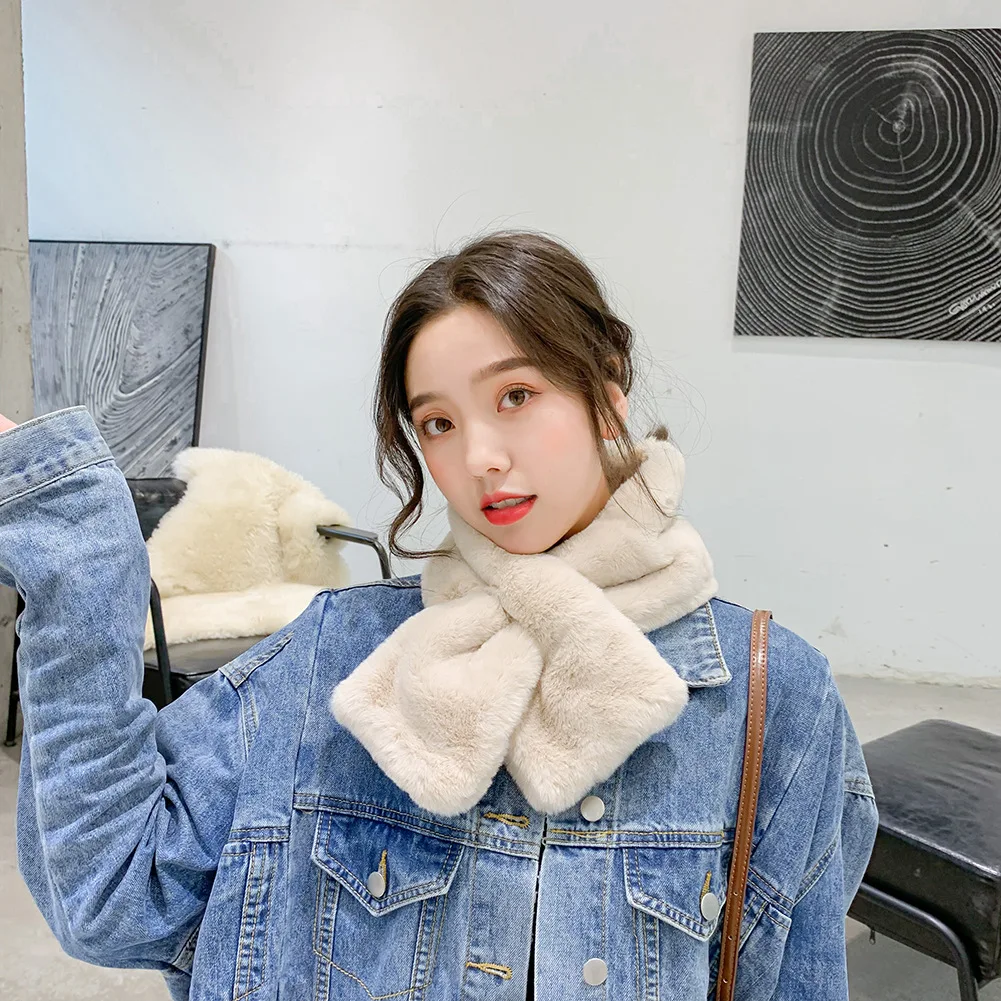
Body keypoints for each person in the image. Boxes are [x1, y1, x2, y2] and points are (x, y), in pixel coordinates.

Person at [0, 231, 877, 1001]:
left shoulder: (772, 696)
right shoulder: (333, 661)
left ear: (607, 390)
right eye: (438, 422)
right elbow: (112, 893)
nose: (480, 456)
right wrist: (75, 548)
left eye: (515, 396)